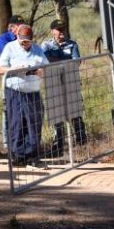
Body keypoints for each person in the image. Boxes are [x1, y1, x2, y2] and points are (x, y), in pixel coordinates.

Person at [0, 24, 49, 170]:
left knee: (34, 124)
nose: (25, 43)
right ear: (17, 37)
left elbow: (46, 67)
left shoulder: (37, 49)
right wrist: (13, 69)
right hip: (15, 92)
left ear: (32, 39)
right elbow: (0, 69)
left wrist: (40, 71)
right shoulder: (10, 48)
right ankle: (17, 156)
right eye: (22, 41)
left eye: (27, 41)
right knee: (17, 123)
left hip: (33, 92)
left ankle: (32, 157)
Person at [42, 20, 87, 157]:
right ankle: (58, 144)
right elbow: (45, 61)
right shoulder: (46, 45)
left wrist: (55, 61)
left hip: (71, 83)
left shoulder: (72, 44)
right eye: (58, 29)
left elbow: (76, 62)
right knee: (57, 114)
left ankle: (82, 143)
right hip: (53, 84)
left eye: (63, 29)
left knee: (75, 111)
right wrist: (65, 62)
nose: (61, 31)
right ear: (52, 31)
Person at [0, 15, 24, 153]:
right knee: (8, 109)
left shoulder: (24, 37)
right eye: (19, 25)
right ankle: (7, 142)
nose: (22, 27)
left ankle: (21, 140)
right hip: (9, 78)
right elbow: (7, 57)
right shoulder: (4, 39)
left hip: (23, 80)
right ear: (12, 27)